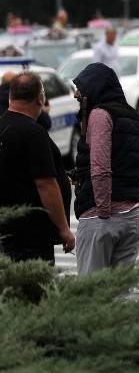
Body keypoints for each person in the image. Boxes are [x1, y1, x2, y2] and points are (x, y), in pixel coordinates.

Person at [72, 63, 139, 275]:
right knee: (122, 293)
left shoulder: (100, 115)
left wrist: (103, 211)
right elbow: (132, 164)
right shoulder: (135, 117)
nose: (77, 93)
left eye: (81, 87)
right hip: (132, 216)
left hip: (102, 217)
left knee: (90, 293)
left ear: (96, 88)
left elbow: (101, 168)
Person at [0, 72, 74, 263]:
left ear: (10, 96)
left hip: (6, 231)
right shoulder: (34, 133)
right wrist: (64, 229)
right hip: (31, 237)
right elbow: (46, 184)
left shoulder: (3, 126)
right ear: (40, 99)